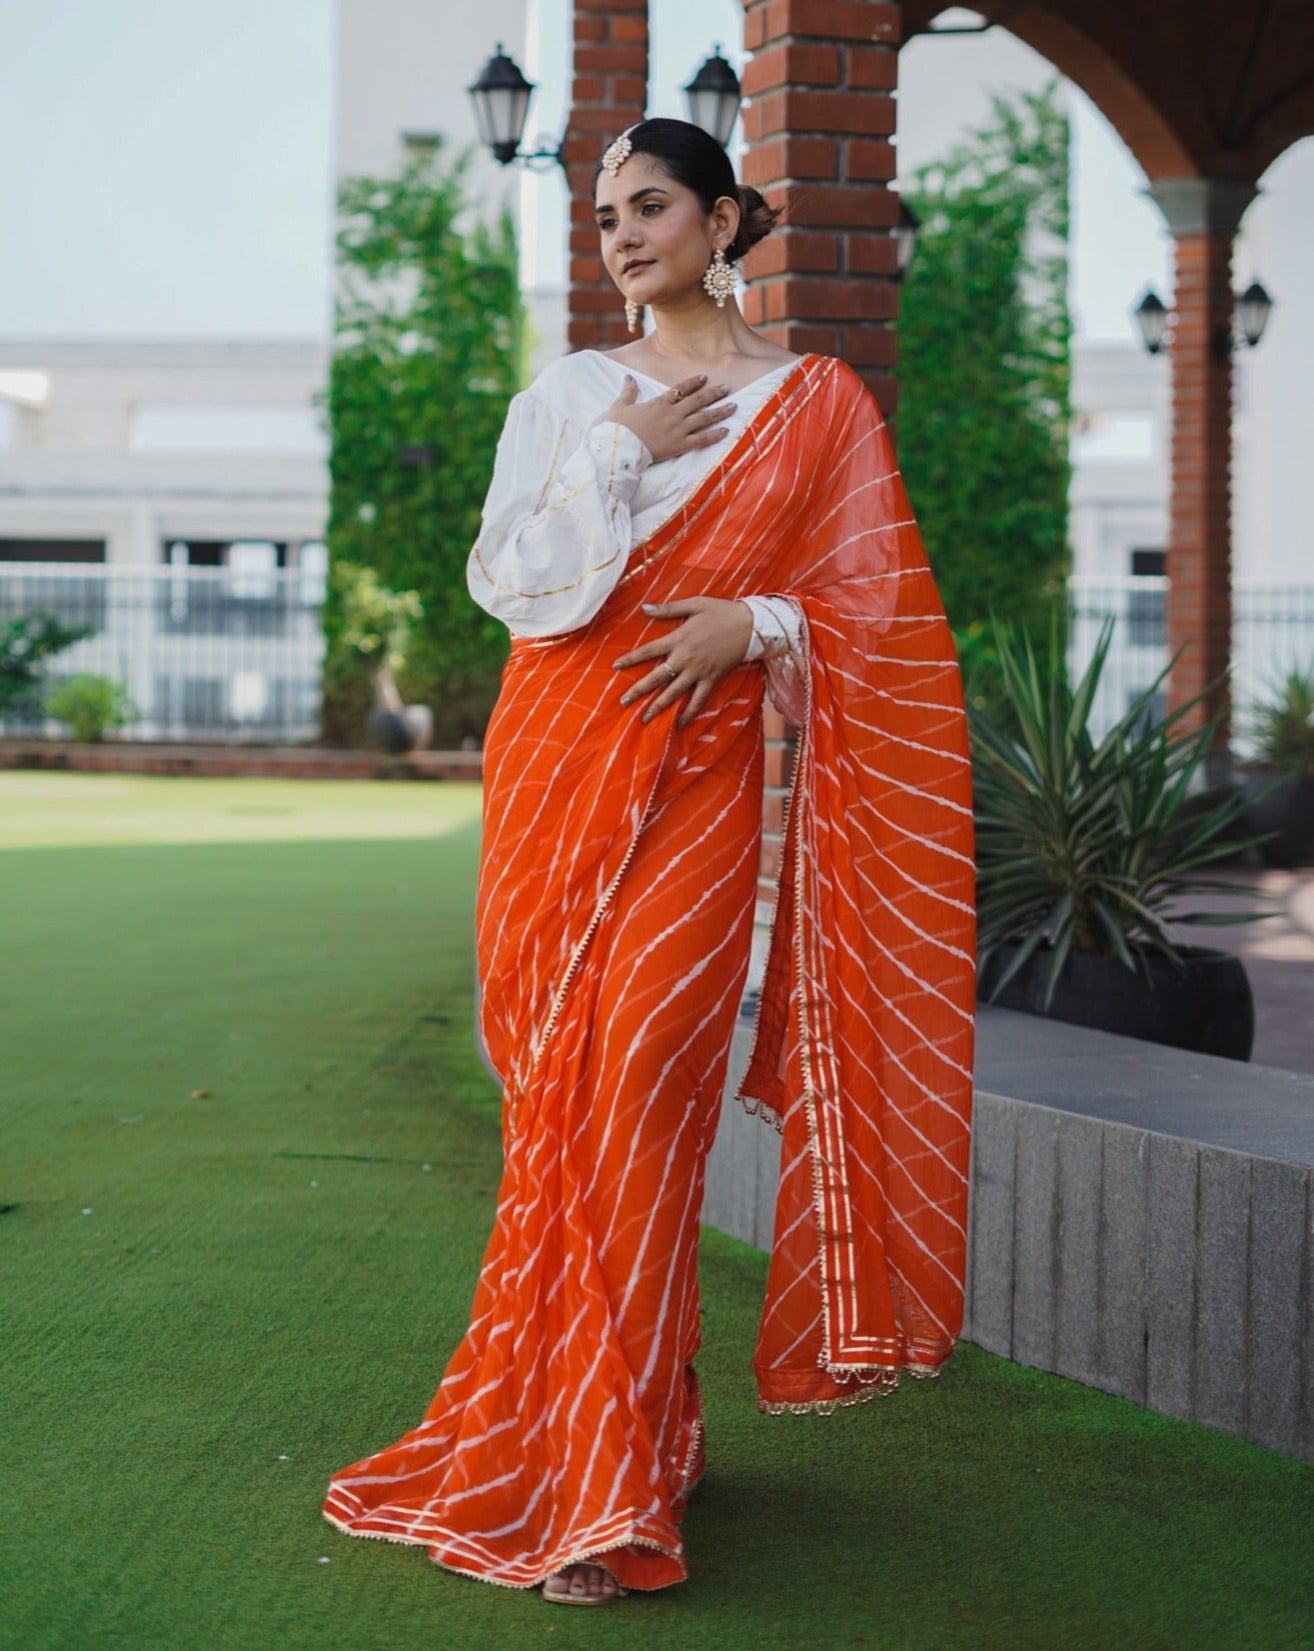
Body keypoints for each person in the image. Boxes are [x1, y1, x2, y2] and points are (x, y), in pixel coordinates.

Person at [323, 117, 976, 1607]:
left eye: (651, 206)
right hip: (560, 770)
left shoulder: (817, 405)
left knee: (642, 1093)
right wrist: (617, 450)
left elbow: (881, 614)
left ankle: (613, 1485)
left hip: (700, 795)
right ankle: (613, 1441)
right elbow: (511, 583)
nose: (620, 234)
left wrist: (760, 624)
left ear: (726, 219)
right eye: (603, 213)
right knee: (563, 1090)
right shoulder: (571, 395)